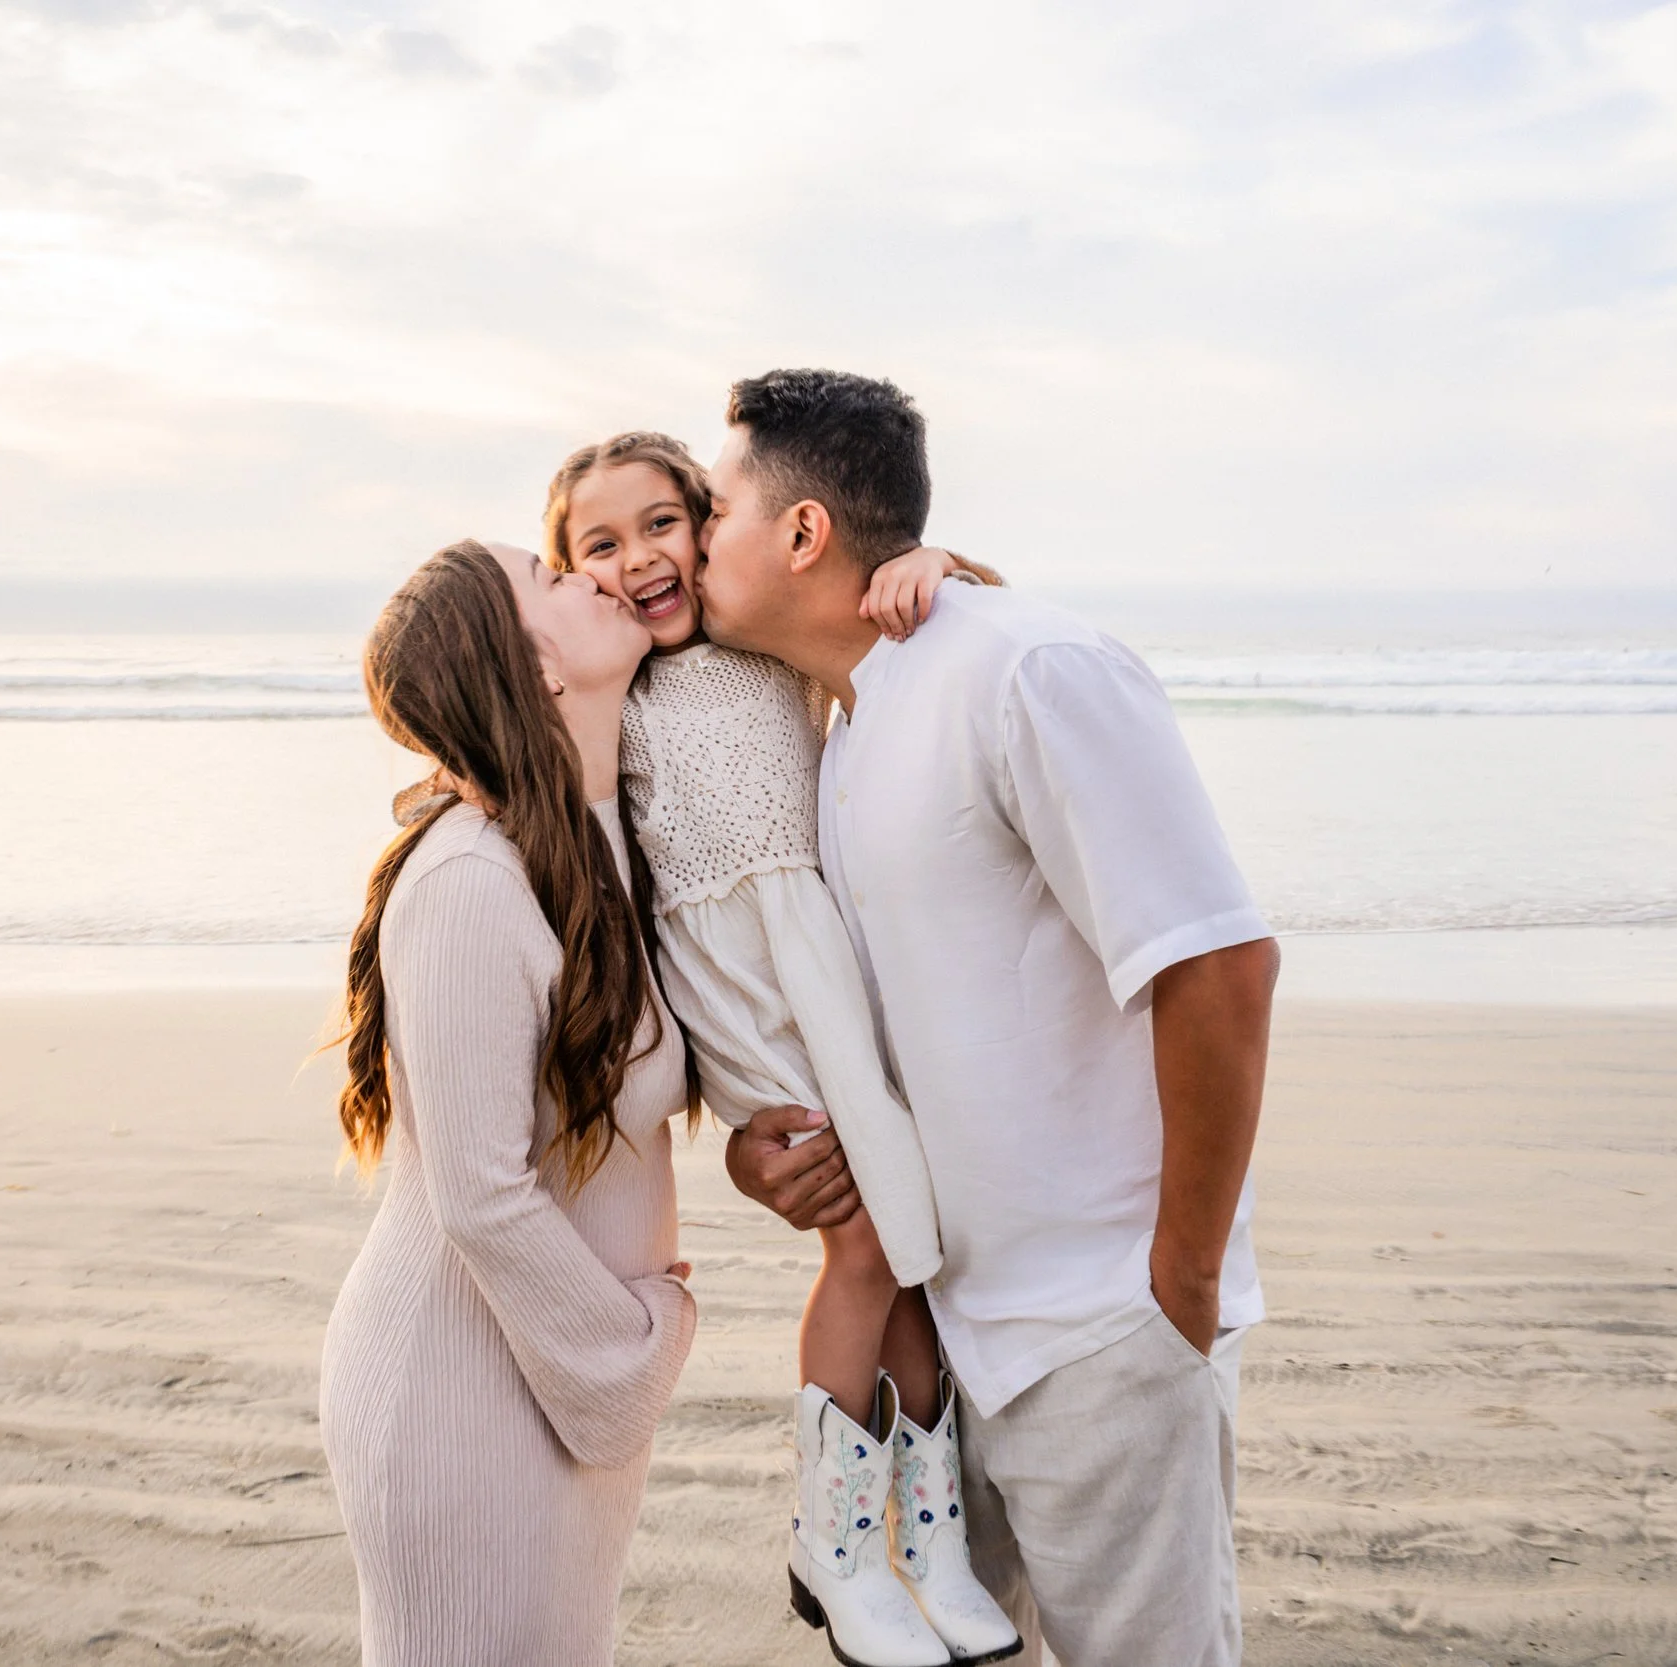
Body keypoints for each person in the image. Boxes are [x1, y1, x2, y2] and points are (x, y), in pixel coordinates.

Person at [699, 370, 1280, 1667]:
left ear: (803, 532)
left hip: (1098, 1328)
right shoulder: (844, 725)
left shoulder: (1026, 667)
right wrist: (768, 1149)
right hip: (945, 1350)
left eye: (713, 503)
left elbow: (1219, 965)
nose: (689, 534)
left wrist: (1175, 1283)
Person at [542, 431, 1021, 1667]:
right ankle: (837, 1541)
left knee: (904, 1251)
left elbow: (901, 603)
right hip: (746, 993)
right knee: (862, 1241)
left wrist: (931, 561)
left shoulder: (760, 639)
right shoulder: (614, 688)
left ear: (712, 527)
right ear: (570, 573)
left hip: (834, 972)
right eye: (602, 543)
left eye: (664, 522)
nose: (640, 557)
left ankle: (929, 1535)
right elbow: (566, 822)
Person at [318, 538, 698, 1667]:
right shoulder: (469, 880)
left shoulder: (593, 838)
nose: (591, 574)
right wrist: (625, 1360)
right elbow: (480, 1192)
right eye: (551, 576)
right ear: (533, 667)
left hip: (549, 1378)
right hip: (471, 1390)